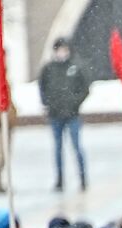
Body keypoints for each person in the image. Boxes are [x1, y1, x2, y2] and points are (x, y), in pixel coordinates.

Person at [37, 38, 92, 192]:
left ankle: (83, 178)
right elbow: (42, 88)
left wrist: (74, 102)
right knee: (58, 148)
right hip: (55, 115)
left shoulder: (75, 67)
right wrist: (48, 104)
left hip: (72, 113)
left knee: (76, 146)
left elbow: (85, 87)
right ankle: (60, 179)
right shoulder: (49, 69)